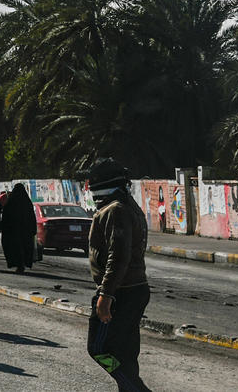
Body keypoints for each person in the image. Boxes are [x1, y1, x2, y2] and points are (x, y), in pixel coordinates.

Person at [85, 159, 151, 391]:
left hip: (120, 293)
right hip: (134, 289)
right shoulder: (127, 205)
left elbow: (119, 256)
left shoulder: (116, 209)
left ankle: (136, 388)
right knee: (125, 352)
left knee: (99, 349)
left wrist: (106, 295)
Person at [1, 183, 36, 273]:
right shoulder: (27, 203)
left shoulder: (10, 202)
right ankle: (22, 264)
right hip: (26, 231)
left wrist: (4, 228)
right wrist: (33, 230)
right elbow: (32, 217)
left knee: (14, 247)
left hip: (13, 230)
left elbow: (5, 217)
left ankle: (18, 264)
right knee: (25, 247)